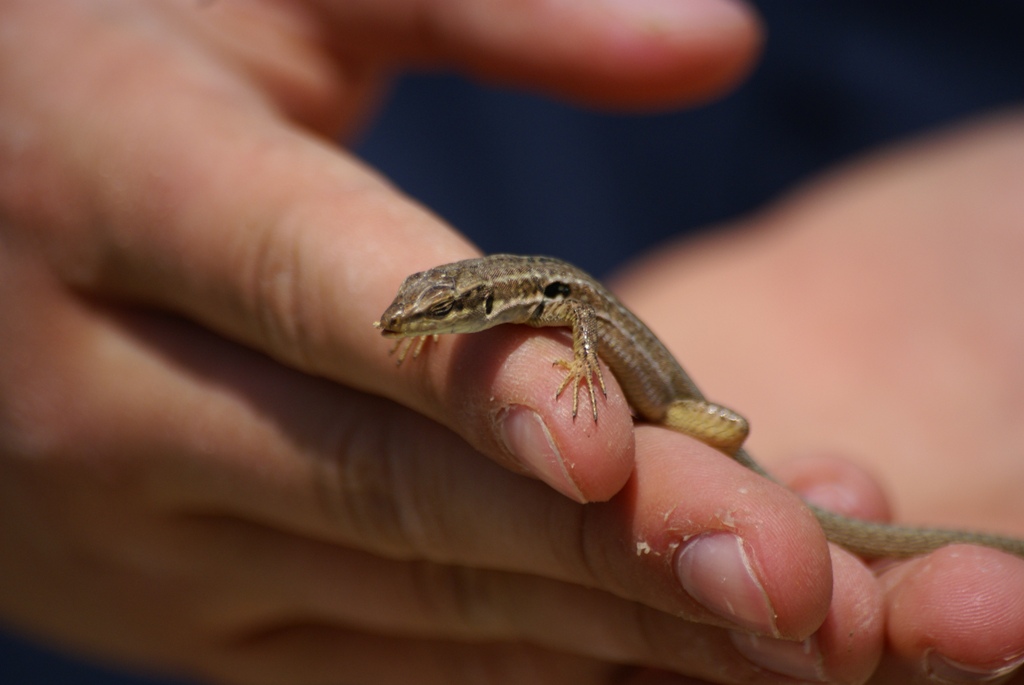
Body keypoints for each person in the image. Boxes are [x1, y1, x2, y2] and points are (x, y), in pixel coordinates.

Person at [1, 1, 1022, 684]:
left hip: (689, 404)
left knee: (719, 454)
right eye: (431, 316)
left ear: (486, 307)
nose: (424, 325)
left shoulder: (559, 304)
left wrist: (585, 362)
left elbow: (576, 315)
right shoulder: (506, 292)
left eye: (435, 315)